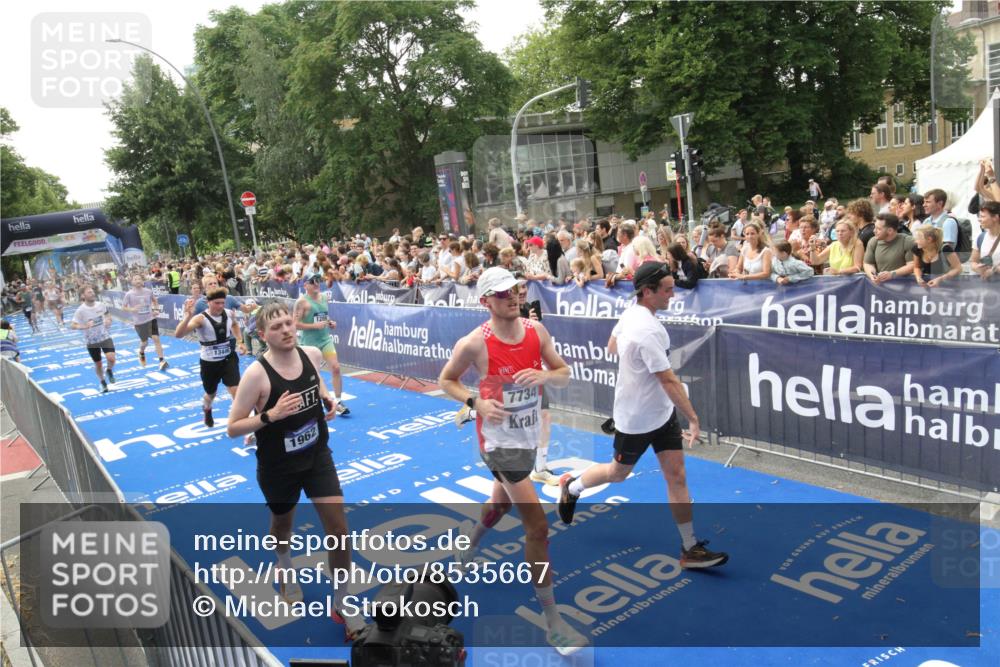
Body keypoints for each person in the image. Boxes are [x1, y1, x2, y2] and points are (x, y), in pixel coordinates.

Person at [438, 267, 589, 656]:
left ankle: (469, 543)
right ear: (485, 301)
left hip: (525, 438)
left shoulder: (536, 332)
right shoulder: (475, 343)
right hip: (497, 443)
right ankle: (554, 624)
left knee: (500, 505)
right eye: (502, 293)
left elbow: (563, 373)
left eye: (516, 290)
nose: (513, 297)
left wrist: (544, 377)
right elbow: (446, 380)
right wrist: (476, 402)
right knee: (537, 527)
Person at [557, 262, 728, 570]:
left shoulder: (634, 314)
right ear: (648, 292)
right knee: (617, 474)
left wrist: (632, 362)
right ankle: (572, 488)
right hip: (635, 418)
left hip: (662, 414)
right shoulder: (644, 330)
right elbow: (668, 380)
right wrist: (693, 418)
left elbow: (611, 346)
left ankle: (689, 548)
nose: (673, 295)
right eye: (667, 290)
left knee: (676, 476)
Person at [225, 302, 366, 639]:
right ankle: (285, 564)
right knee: (282, 526)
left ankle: (342, 601)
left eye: (288, 323)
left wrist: (326, 397)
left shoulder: (310, 355)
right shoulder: (256, 374)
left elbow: (317, 384)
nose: (286, 330)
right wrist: (269, 416)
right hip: (279, 466)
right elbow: (232, 427)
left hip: (317, 456)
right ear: (263, 335)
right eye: (277, 327)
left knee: (339, 529)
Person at [175, 288, 248, 427]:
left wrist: (240, 341)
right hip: (209, 363)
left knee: (236, 392)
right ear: (208, 302)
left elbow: (234, 325)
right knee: (211, 394)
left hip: (228, 358)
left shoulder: (229, 313)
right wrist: (187, 317)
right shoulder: (200, 319)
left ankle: (239, 423)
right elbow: (178, 334)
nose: (220, 306)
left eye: (222, 303)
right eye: (217, 303)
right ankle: (207, 409)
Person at [294, 276, 349, 415]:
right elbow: (295, 324)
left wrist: (330, 322)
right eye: (312, 282)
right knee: (314, 375)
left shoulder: (324, 297)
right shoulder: (302, 302)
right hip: (309, 344)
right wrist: (314, 326)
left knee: (336, 368)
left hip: (325, 340)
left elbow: (323, 316)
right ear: (305, 285)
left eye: (318, 281)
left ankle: (338, 401)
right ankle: (320, 400)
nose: (316, 284)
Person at [70, 286, 116, 393]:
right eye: (89, 292)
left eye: (92, 291)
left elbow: (108, 315)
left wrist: (109, 320)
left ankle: (109, 370)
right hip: (91, 342)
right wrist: (84, 326)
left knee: (111, 359)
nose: (92, 293)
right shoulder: (80, 310)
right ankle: (103, 382)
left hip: (105, 337)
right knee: (98, 364)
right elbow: (73, 325)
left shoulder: (101, 305)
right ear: (83, 295)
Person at [121, 275, 168, 371]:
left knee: (156, 338)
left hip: (150, 319)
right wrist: (132, 309)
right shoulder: (129, 294)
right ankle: (141, 352)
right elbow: (123, 307)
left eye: (139, 279)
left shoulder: (148, 291)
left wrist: (156, 309)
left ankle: (161, 360)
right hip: (139, 322)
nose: (138, 280)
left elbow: (155, 300)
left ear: (142, 281)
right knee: (144, 343)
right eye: (135, 279)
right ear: (132, 282)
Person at [863, 213, 916, 284]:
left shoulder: (907, 241)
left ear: (890, 230)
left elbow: (913, 265)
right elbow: (868, 263)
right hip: (880, 287)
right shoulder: (873, 241)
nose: (874, 231)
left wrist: (892, 274)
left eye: (878, 229)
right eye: (874, 227)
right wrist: (872, 275)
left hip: (904, 286)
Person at [971, 200, 1000, 281]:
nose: (979, 219)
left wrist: (994, 270)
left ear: (995, 218)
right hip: (986, 285)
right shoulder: (980, 237)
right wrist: (978, 268)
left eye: (982, 216)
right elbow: (973, 262)